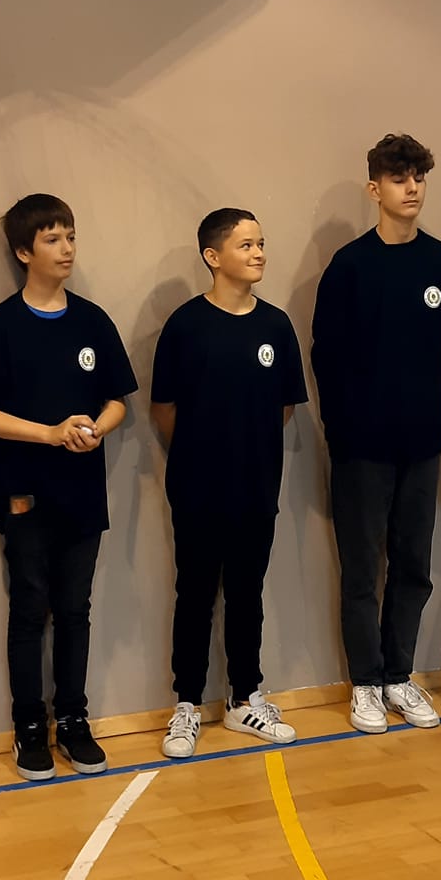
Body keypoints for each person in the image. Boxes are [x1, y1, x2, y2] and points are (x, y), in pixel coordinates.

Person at [0, 194, 136, 782]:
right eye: (53, 239)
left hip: (82, 492)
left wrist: (95, 428)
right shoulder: (2, 325)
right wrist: (49, 434)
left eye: (71, 236)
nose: (66, 249)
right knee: (30, 608)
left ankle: (74, 721)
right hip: (24, 491)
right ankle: (29, 728)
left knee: (75, 609)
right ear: (23, 251)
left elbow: (117, 402)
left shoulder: (92, 321)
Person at [310, 134, 441, 735]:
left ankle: (400, 676)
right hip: (361, 447)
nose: (412, 188)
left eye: (419, 177)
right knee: (360, 571)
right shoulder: (350, 265)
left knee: (413, 566)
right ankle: (366, 684)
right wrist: (343, 431)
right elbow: (325, 356)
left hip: (421, 443)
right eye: (400, 178)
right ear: (375, 189)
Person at [150, 208, 310, 758]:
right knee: (195, 594)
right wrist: (204, 451)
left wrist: (247, 450)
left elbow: (284, 407)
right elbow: (164, 409)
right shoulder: (185, 325)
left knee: (247, 593)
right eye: (246, 245)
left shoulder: (276, 326)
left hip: (256, 487)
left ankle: (245, 699)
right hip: (196, 487)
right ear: (213, 257)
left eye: (261, 243)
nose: (259, 253)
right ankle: (187, 705)